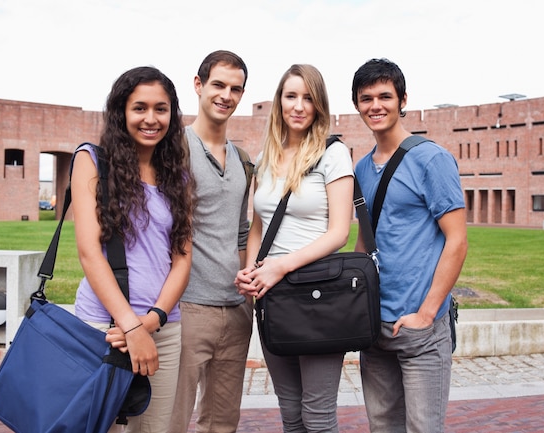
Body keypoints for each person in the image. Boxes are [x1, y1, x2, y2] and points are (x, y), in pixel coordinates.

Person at [71, 66, 194, 432]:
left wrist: (152, 321)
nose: (151, 118)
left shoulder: (179, 174)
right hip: (103, 326)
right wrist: (131, 327)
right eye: (140, 108)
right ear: (121, 111)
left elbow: (182, 258)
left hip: (164, 329)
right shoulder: (92, 160)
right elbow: (90, 252)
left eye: (161, 108)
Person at [351, 58, 468, 433]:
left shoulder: (431, 159)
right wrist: (353, 305)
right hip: (375, 327)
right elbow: (364, 240)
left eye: (385, 96)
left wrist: (427, 313)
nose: (376, 105)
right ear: (357, 105)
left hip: (421, 327)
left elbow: (457, 240)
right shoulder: (361, 169)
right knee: (382, 427)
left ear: (403, 100)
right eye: (366, 98)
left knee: (423, 427)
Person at [235, 64, 354, 433]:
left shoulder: (333, 155)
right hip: (273, 297)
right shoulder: (266, 158)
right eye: (291, 96)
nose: (299, 106)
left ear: (319, 105)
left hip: (318, 296)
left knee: (318, 417)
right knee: (290, 412)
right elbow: (259, 225)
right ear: (279, 102)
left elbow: (339, 234)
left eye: (308, 97)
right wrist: (254, 270)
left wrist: (281, 266)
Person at [168, 50, 253, 433]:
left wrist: (247, 296)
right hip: (186, 308)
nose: (226, 95)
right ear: (199, 85)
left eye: (236, 89)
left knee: (221, 423)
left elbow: (240, 231)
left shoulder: (242, 159)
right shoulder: (173, 149)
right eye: (218, 84)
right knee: (170, 419)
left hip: (235, 310)